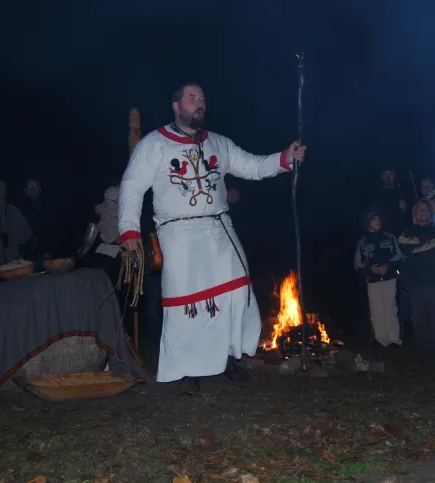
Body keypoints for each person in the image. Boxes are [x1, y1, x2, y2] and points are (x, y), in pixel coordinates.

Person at [117, 83, 306, 394]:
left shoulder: (218, 142)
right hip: (177, 232)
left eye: (202, 98)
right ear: (176, 107)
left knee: (235, 292)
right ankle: (186, 368)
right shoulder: (154, 144)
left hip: (219, 228)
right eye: (192, 98)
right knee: (185, 303)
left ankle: (228, 357)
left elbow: (253, 166)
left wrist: (285, 158)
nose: (199, 103)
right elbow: (132, 186)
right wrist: (129, 230)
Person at [354, 210, 404, 350]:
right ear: (367, 222)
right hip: (372, 281)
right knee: (376, 311)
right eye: (373, 218)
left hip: (389, 278)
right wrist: (371, 269)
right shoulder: (362, 242)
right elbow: (358, 264)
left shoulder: (390, 237)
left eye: (378, 218)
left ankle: (394, 339)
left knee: (390, 308)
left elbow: (399, 256)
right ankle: (381, 340)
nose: (378, 220)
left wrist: (388, 265)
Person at [398, 201, 435, 351]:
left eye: (425, 210)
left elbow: (434, 247)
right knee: (417, 314)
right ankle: (422, 345)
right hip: (413, 278)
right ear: (414, 214)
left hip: (431, 278)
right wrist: (422, 245)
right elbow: (404, 246)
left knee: (432, 312)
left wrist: (417, 247)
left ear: (430, 213)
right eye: (419, 210)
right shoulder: (407, 231)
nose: (422, 213)